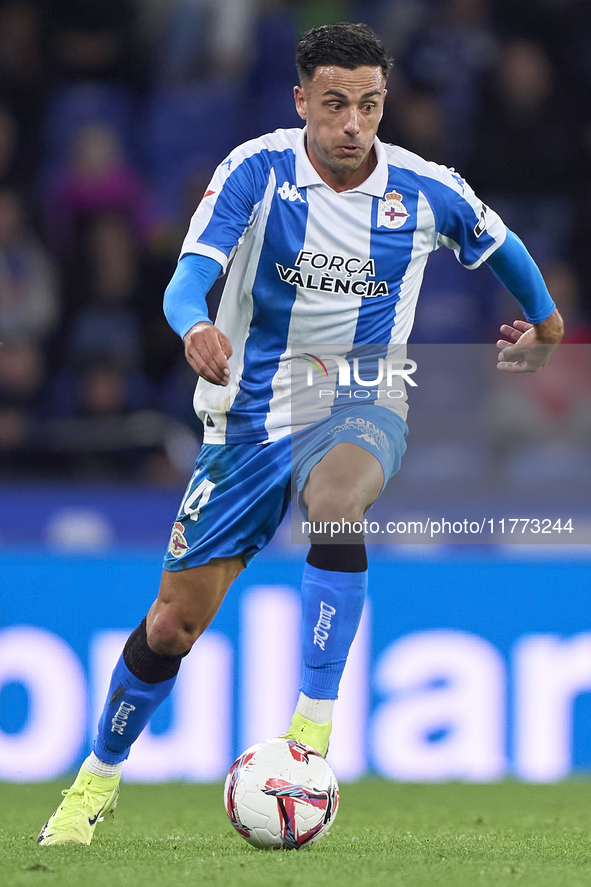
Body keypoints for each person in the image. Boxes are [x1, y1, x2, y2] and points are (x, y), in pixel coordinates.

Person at [38, 22, 563, 846]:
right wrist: (193, 328)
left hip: (359, 397)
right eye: (335, 105)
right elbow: (188, 279)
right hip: (247, 415)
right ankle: (93, 783)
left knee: (336, 502)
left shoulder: (425, 189)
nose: (353, 123)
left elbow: (504, 249)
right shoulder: (256, 170)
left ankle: (309, 734)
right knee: (173, 622)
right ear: (300, 103)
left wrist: (546, 323)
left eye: (369, 105)